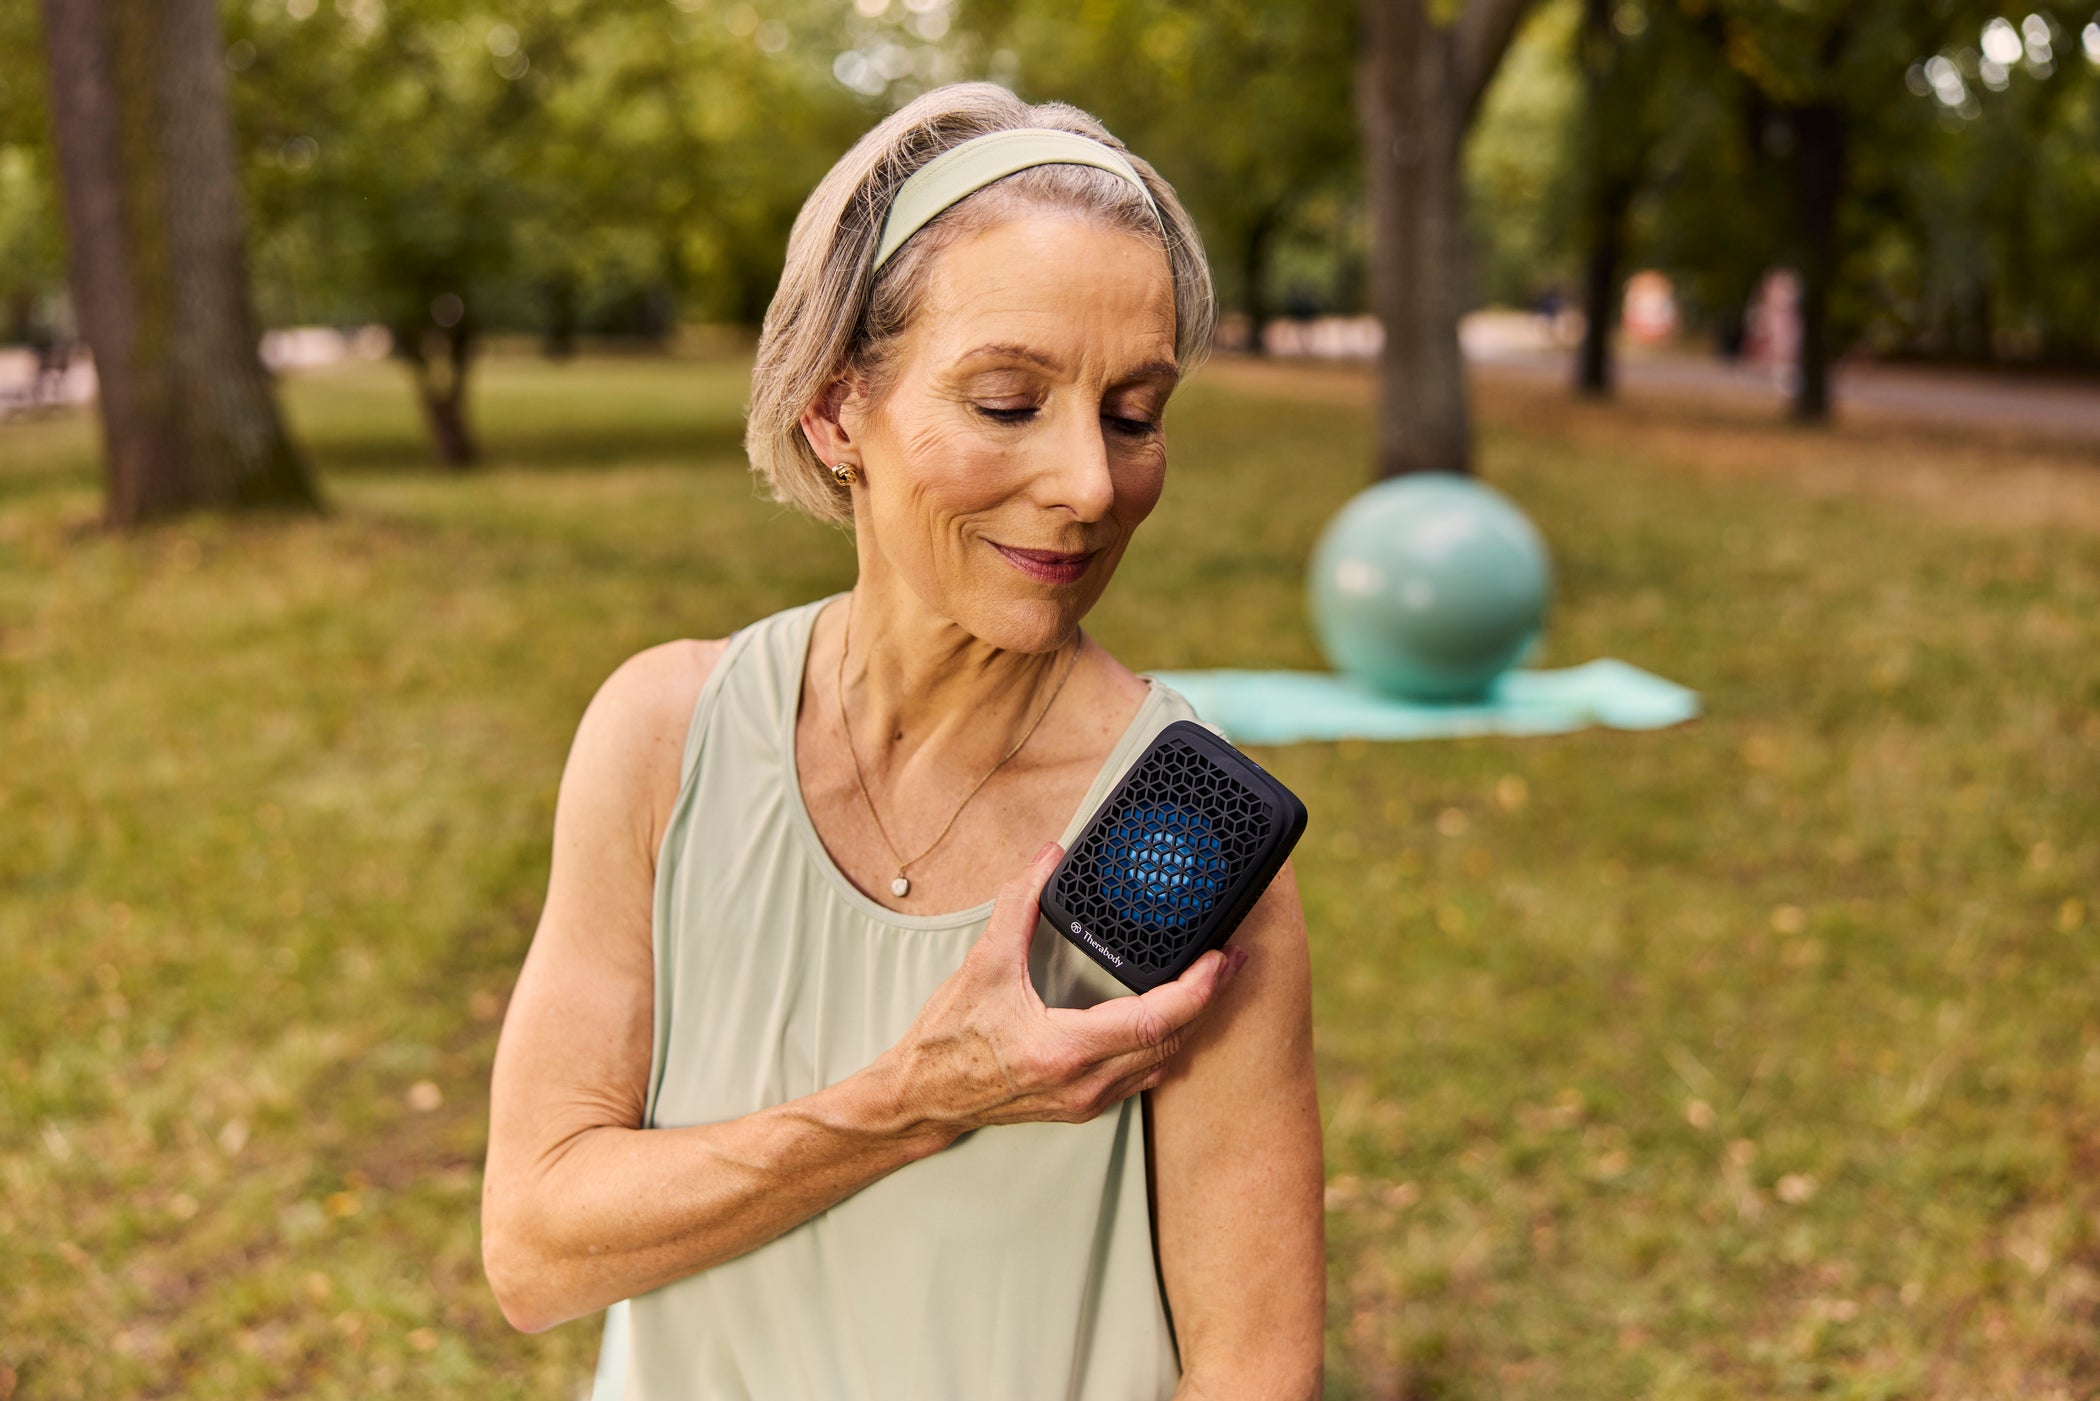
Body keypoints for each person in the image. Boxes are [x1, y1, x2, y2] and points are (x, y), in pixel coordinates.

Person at [481, 82, 1324, 1401]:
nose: (1092, 485)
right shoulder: (665, 737)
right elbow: (535, 1248)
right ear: (835, 411)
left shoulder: (1184, 830)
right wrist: (922, 1095)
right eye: (1005, 402)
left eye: (1134, 412)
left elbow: (1251, 1372)